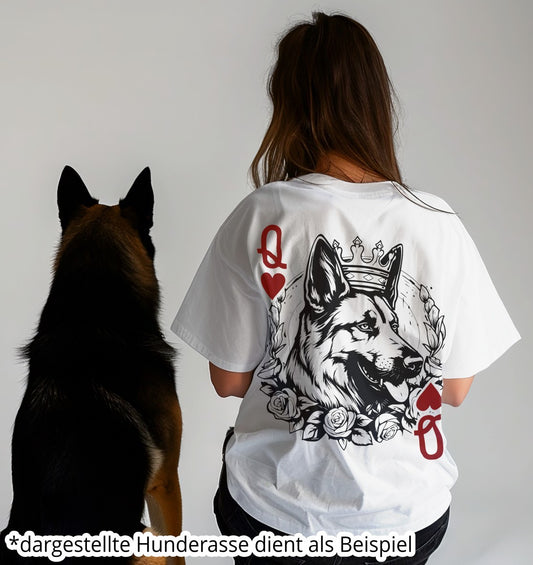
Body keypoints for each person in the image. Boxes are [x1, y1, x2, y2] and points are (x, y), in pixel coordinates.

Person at [171, 11, 520, 564]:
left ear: (288, 109)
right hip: (405, 521)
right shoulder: (437, 221)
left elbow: (228, 379)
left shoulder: (263, 214)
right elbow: (453, 388)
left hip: (276, 518)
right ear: (377, 103)